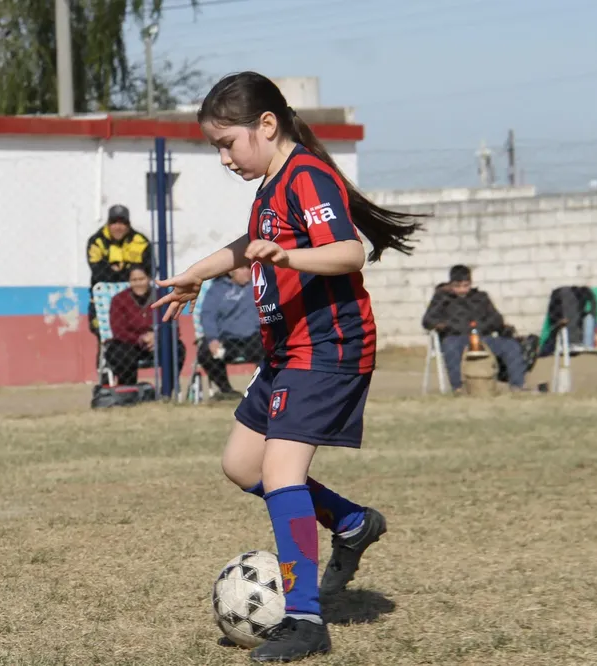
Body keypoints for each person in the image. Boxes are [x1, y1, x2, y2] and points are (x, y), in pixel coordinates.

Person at [152, 72, 423, 662]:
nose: (224, 158)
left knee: (281, 474)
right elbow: (247, 246)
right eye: (216, 147)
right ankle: (351, 523)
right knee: (241, 464)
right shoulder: (271, 186)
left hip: (329, 349)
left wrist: (289, 254)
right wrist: (196, 273)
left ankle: (304, 619)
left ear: (266, 125)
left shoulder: (307, 176)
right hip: (289, 350)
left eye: (228, 144)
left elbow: (349, 250)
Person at [421, 265, 527, 392]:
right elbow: (427, 320)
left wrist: (483, 326)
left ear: (470, 283)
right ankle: (458, 388)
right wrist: (445, 326)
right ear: (451, 285)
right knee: (450, 346)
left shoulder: (481, 297)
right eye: (457, 286)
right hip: (456, 338)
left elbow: (497, 319)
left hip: (483, 337)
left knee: (511, 346)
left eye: (466, 286)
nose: (462, 290)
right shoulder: (442, 298)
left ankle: (517, 386)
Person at [105, 265, 185, 386]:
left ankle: (167, 391)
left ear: (149, 279)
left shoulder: (162, 297)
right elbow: (118, 330)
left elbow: (173, 327)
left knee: (178, 348)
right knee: (120, 352)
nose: (138, 284)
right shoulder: (119, 299)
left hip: (157, 343)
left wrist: (157, 336)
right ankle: (129, 391)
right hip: (129, 343)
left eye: (141, 279)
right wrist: (140, 338)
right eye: (134, 280)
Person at [87, 204, 152, 346]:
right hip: (102, 300)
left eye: (122, 223)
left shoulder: (140, 242)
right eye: (114, 222)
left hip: (136, 301)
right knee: (104, 338)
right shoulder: (96, 242)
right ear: (108, 224)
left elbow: (149, 270)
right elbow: (99, 273)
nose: (118, 227)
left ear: (128, 225)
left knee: (139, 332)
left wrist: (116, 270)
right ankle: (104, 367)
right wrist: (131, 270)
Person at [197, 266, 263, 397]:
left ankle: (259, 389)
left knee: (272, 349)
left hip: (254, 337)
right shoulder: (216, 290)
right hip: (226, 339)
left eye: (249, 268)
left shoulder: (258, 286)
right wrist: (212, 339)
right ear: (231, 271)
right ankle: (227, 391)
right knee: (205, 353)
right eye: (242, 268)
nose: (247, 271)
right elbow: (208, 316)